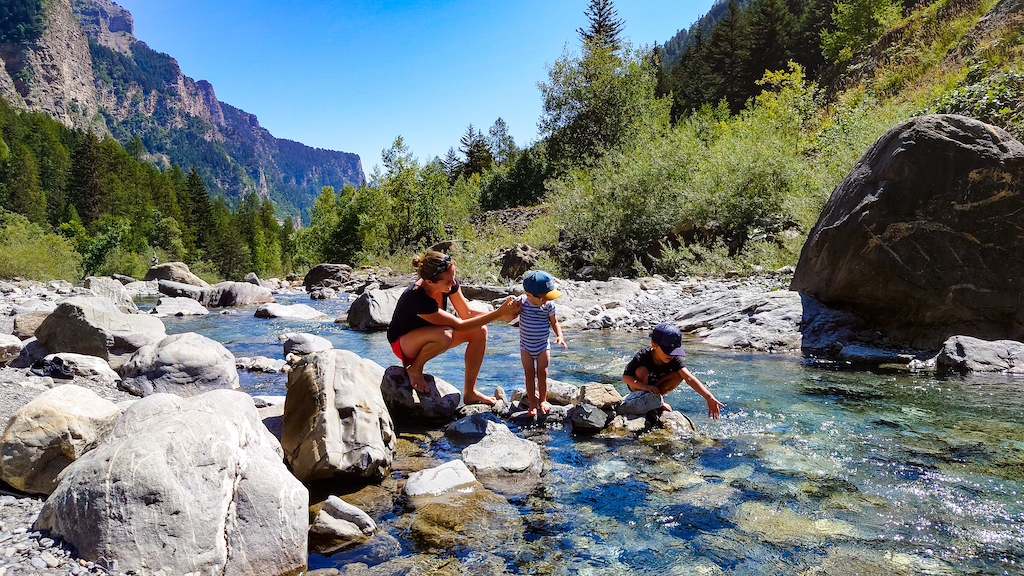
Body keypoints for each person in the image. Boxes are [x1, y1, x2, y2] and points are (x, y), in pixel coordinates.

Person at [386, 251, 519, 404]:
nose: (453, 282)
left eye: (453, 276)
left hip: (430, 336)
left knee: (480, 331)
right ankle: (415, 368)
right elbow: (459, 325)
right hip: (403, 344)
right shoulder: (416, 297)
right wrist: (498, 313)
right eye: (448, 280)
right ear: (429, 282)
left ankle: (470, 392)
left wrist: (505, 315)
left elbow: (466, 313)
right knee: (446, 334)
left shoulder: (450, 283)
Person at [622, 323, 724, 419]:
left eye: (674, 351)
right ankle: (648, 404)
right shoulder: (643, 355)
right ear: (654, 345)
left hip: (656, 388)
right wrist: (645, 387)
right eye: (667, 351)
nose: (671, 355)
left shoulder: (673, 359)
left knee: (679, 375)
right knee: (641, 370)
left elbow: (689, 378)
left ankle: (656, 402)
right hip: (640, 387)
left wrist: (708, 397)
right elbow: (626, 377)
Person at [516, 270, 567, 416]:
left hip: (543, 346)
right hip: (525, 346)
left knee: (542, 374)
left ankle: (542, 400)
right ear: (528, 294)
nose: (546, 300)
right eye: (543, 297)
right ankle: (532, 403)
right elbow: (509, 314)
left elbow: (554, 322)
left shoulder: (549, 305)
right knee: (529, 374)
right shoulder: (522, 303)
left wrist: (560, 336)